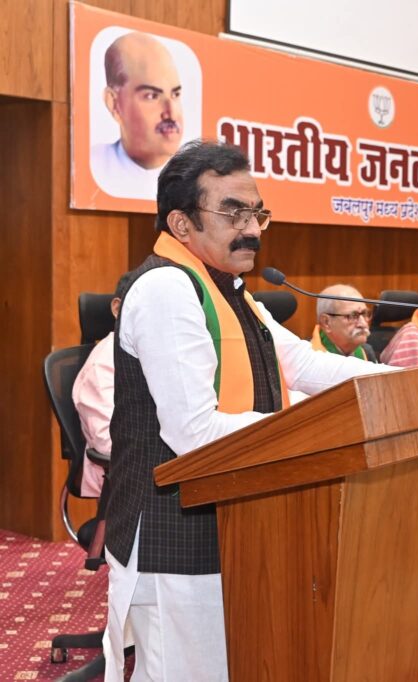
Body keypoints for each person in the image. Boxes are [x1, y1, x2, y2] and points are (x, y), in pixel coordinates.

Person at [101, 140, 395, 681]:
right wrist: (310, 436)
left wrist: (408, 382)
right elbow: (193, 432)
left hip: (229, 514)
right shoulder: (166, 288)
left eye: (257, 213)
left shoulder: (230, 290)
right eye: (233, 213)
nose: (253, 229)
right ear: (181, 223)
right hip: (175, 532)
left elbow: (303, 364)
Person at [91, 32, 185, 199]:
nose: (171, 113)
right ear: (114, 103)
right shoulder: (94, 165)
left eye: (175, 95)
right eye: (152, 96)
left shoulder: (198, 179)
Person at [71, 274, 132, 498]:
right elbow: (109, 445)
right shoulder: (102, 365)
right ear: (117, 309)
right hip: (120, 481)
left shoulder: (157, 355)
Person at [310, 284, 373, 359]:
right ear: (326, 322)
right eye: (352, 316)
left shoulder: (366, 352)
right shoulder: (308, 358)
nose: (363, 324)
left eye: (364, 313)